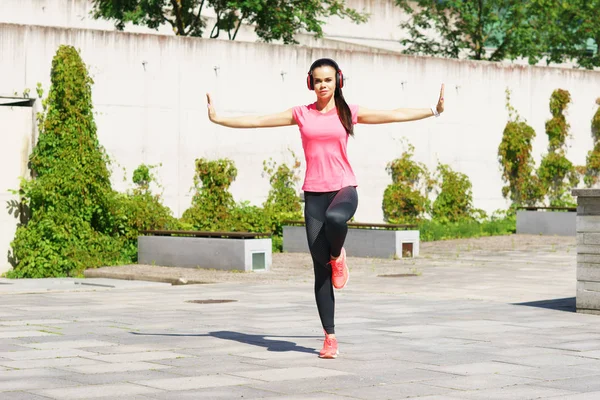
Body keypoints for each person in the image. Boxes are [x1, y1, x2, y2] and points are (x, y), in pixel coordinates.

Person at [206, 58, 445, 359]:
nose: (323, 85)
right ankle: (329, 337)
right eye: (318, 80)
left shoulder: (348, 113)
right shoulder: (301, 114)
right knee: (320, 272)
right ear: (310, 83)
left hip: (343, 190)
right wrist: (219, 118)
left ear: (338, 82)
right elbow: (258, 120)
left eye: (328, 80)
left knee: (336, 220)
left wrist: (433, 110)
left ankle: (338, 254)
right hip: (313, 195)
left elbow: (393, 114)